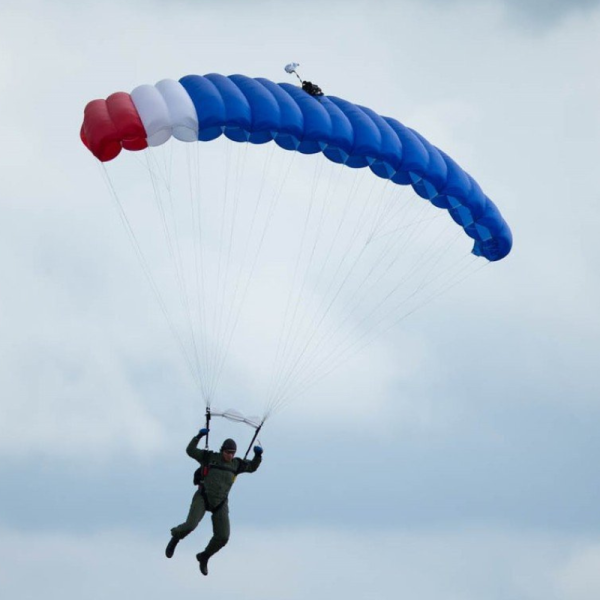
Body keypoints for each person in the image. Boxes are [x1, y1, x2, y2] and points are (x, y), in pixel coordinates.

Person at [165, 428, 263, 576]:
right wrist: (198, 437)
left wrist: (258, 455)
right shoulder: (209, 457)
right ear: (222, 450)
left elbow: (253, 467)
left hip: (220, 503)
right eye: (227, 452)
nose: (230, 455)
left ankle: (204, 556)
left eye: (232, 453)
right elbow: (190, 450)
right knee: (190, 525)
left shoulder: (237, 464)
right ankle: (175, 537)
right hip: (203, 497)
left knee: (223, 536)